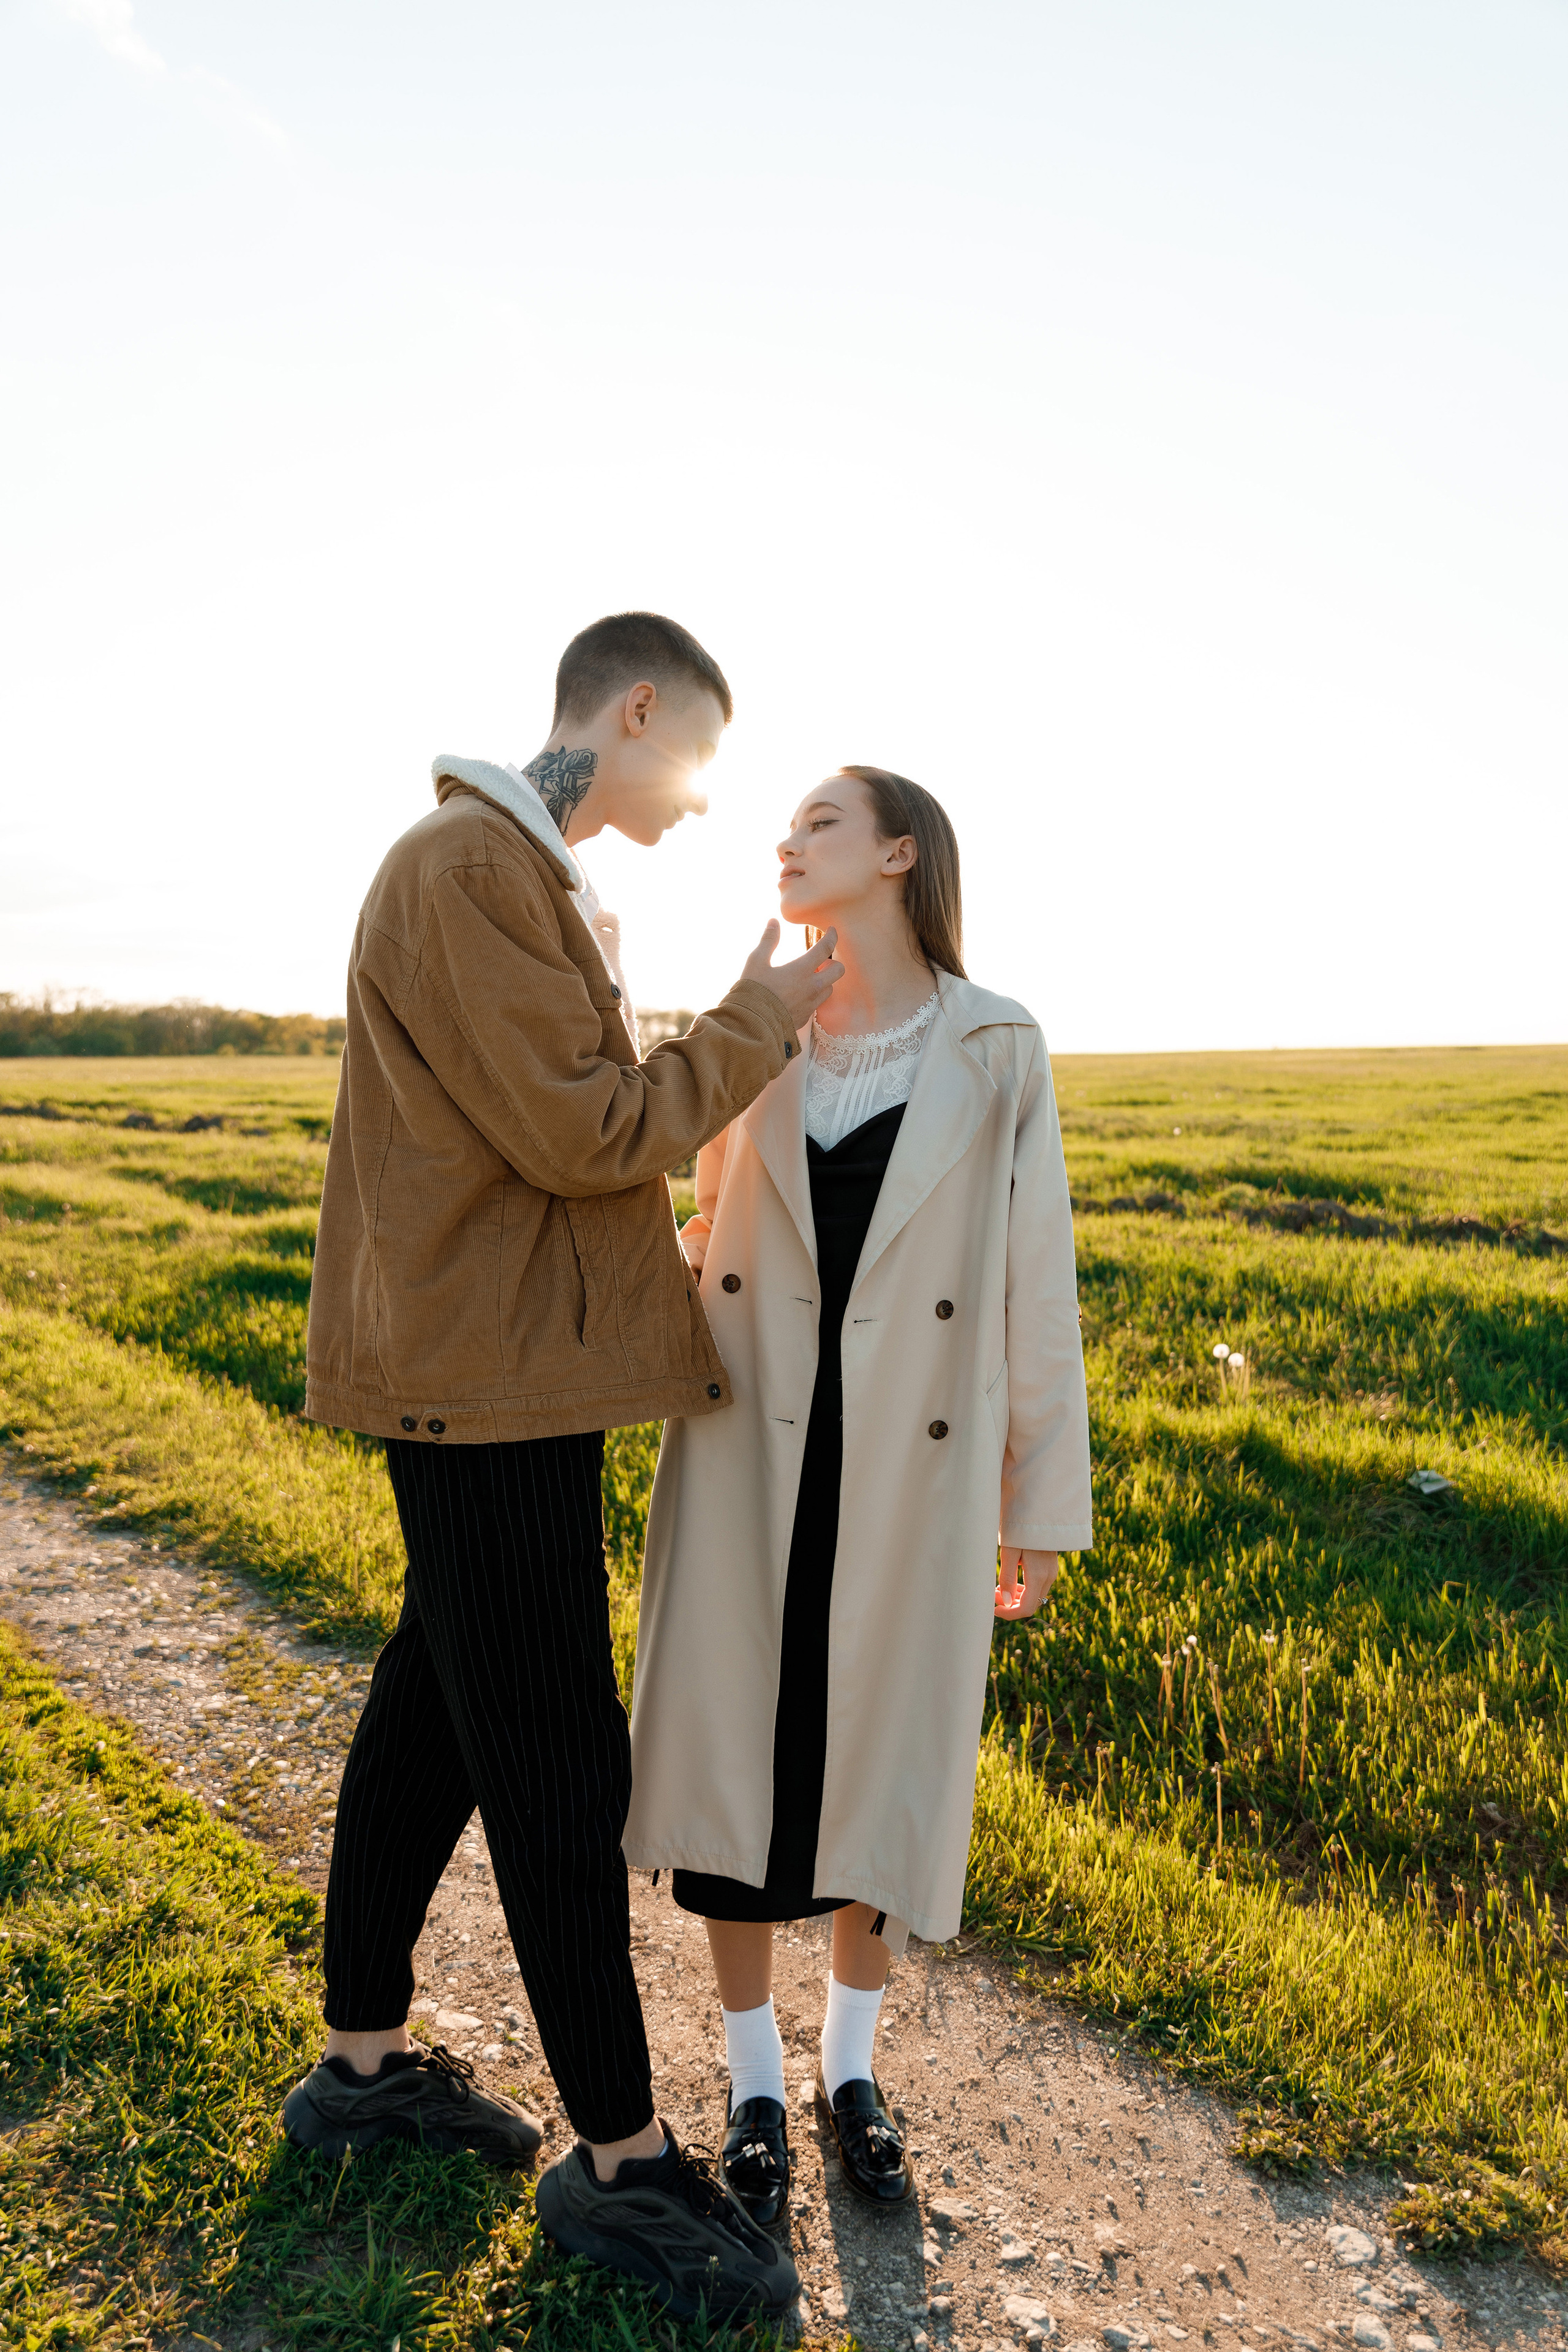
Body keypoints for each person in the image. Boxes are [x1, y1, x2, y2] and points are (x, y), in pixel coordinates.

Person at [284, 613, 843, 2320]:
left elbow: (553, 1142)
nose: (703, 805)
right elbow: (591, 1128)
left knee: (438, 1704)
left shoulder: (509, 869)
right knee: (549, 1754)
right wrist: (759, 1020)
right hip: (490, 1388)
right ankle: (622, 2162)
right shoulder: (468, 867)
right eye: (701, 762)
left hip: (497, 1371)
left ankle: (362, 2065)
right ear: (642, 710)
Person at [622, 764, 1092, 2223]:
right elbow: (692, 1220)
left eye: (819, 822)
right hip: (745, 1445)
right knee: (736, 1766)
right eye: (783, 827)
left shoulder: (994, 1044)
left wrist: (1038, 1503)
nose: (786, 838)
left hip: (916, 1465)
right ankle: (753, 2079)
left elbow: (1034, 1287)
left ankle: (848, 2074)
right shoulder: (751, 1028)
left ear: (898, 854)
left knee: (873, 1755)